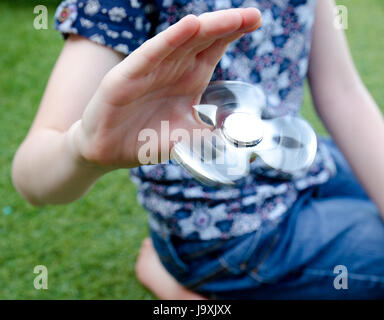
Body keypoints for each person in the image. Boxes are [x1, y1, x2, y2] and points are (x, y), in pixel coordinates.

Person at [12, 0, 384, 299]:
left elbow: (343, 93)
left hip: (300, 161)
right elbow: (32, 174)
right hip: (229, 233)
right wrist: (83, 150)